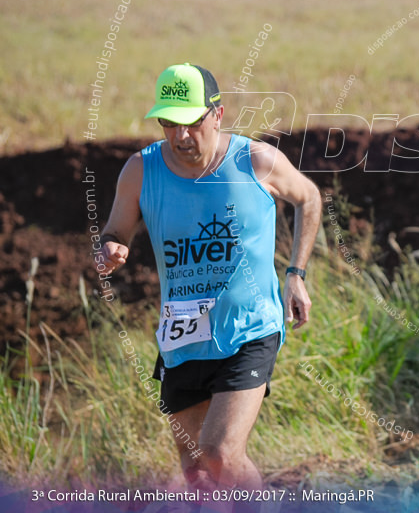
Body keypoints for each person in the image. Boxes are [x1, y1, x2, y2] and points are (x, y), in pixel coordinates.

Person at [96, 63, 320, 492]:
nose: (180, 136)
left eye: (190, 122)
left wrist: (295, 273)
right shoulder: (141, 170)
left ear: (217, 114)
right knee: (198, 470)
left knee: (219, 452)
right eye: (168, 123)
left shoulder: (255, 161)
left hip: (249, 329)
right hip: (183, 336)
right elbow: (114, 231)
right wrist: (108, 248)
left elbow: (308, 197)